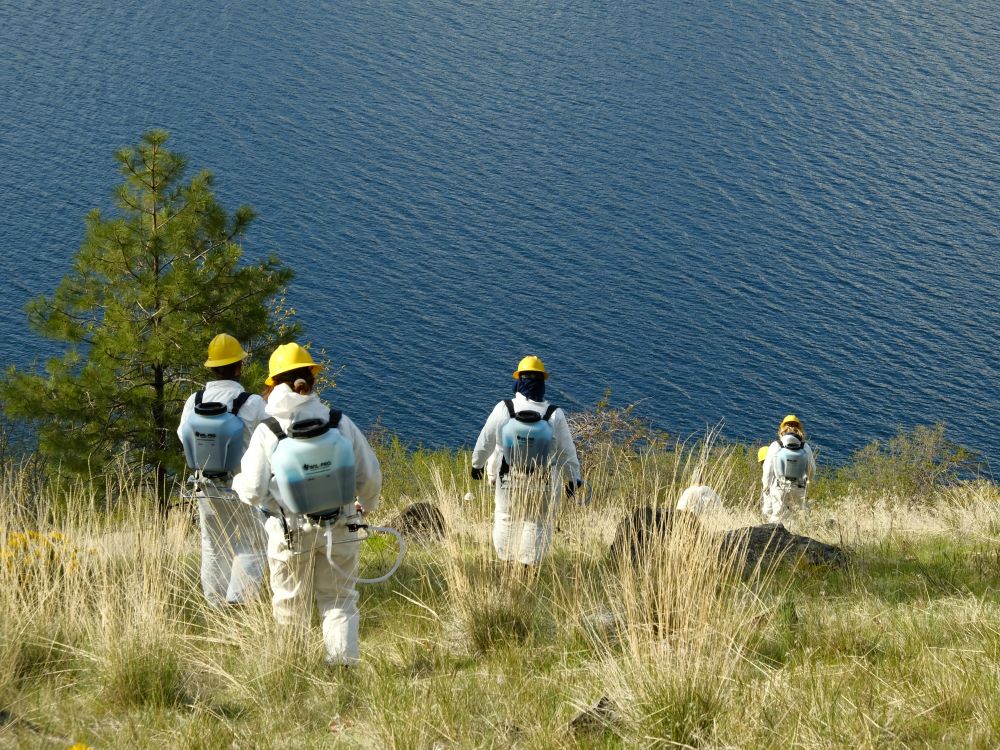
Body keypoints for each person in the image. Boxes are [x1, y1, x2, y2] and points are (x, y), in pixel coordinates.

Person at [232, 343, 381, 666]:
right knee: (339, 601)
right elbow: (370, 476)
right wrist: (365, 507)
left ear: (273, 385)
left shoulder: (268, 431)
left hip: (289, 532)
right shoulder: (339, 423)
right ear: (311, 382)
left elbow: (254, 490)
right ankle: (342, 668)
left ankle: (292, 669)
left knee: (289, 605)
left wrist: (237, 485)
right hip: (341, 526)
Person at [177, 333, 268, 607]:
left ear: (212, 368)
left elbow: (184, 436)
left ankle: (215, 604)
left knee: (213, 543)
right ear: (239, 367)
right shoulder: (252, 403)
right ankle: (239, 602)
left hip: (204, 487)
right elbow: (271, 441)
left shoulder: (194, 400)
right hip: (242, 487)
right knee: (254, 542)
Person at [470, 355, 582, 566]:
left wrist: (477, 465)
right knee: (537, 523)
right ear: (542, 383)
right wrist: (573, 479)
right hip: (544, 483)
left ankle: (506, 564)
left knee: (506, 517)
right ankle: (527, 569)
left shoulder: (504, 408)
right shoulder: (554, 414)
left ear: (519, 381)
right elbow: (568, 452)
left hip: (509, 480)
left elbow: (485, 440)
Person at [760, 414, 816, 525]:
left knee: (777, 518)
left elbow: (767, 470)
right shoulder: (805, 447)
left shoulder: (776, 445)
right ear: (799, 429)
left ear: (782, 428)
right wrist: (808, 481)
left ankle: (776, 539)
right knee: (795, 518)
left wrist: (766, 487)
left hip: (779, 487)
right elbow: (811, 470)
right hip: (799, 488)